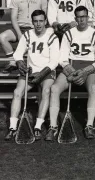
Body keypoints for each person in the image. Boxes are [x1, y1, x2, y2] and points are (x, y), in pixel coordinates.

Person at [45, 6, 95, 141]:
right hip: (72, 66)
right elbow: (62, 59)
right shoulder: (69, 33)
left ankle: (89, 125)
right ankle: (53, 126)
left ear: (88, 18)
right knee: (54, 88)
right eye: (79, 17)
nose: (81, 19)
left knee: (93, 88)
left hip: (88, 67)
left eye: (84, 17)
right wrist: (71, 72)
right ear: (75, 18)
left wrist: (83, 72)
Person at [5, 10, 59, 141]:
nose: (38, 24)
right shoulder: (28, 34)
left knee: (46, 91)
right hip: (31, 71)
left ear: (45, 21)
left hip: (47, 71)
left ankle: (38, 126)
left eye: (41, 21)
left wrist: (42, 74)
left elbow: (54, 61)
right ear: (32, 22)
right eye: (35, 21)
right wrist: (19, 63)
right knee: (17, 91)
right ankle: (12, 127)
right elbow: (18, 53)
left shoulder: (52, 37)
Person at [0, 0, 47, 73]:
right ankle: (12, 62)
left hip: (34, 29)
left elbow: (44, 18)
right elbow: (13, 18)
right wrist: (19, 34)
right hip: (19, 28)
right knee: (2, 37)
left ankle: (34, 67)